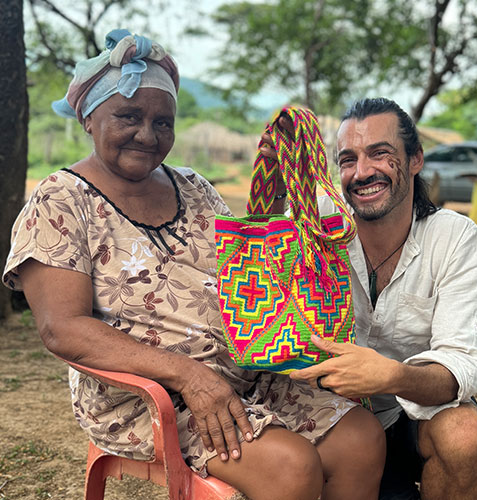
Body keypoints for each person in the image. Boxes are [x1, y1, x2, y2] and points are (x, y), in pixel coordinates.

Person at [2, 30, 386, 500]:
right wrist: (189, 376)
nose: (148, 134)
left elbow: (248, 270)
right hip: (147, 396)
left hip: (248, 373)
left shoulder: (195, 187)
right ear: (88, 116)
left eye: (164, 122)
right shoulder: (60, 200)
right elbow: (62, 328)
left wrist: (277, 192)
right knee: (290, 467)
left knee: (361, 439)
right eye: (129, 116)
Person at [266, 97, 477, 499]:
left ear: (416, 159)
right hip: (329, 417)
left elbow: (465, 362)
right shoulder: (313, 225)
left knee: (465, 435)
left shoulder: (453, 237)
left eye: (380, 154)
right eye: (348, 159)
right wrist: (281, 191)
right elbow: (262, 279)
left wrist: (391, 375)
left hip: (411, 416)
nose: (362, 172)